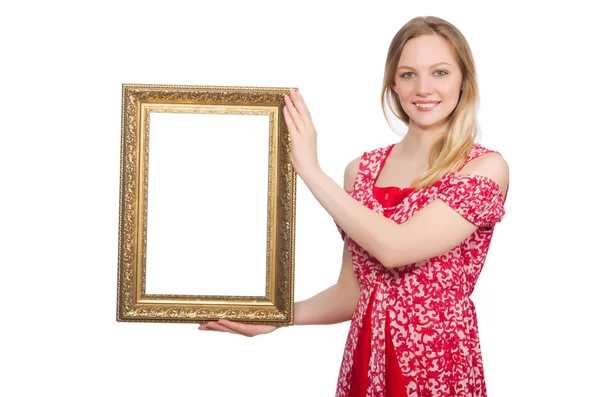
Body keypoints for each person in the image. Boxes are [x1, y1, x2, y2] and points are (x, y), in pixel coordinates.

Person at [199, 15, 509, 397]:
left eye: (440, 72)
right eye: (408, 74)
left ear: (464, 80)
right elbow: (353, 292)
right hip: (368, 356)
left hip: (437, 362)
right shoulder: (361, 171)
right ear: (392, 84)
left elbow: (396, 248)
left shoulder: (484, 167)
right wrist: (278, 317)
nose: (423, 88)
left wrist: (309, 170)